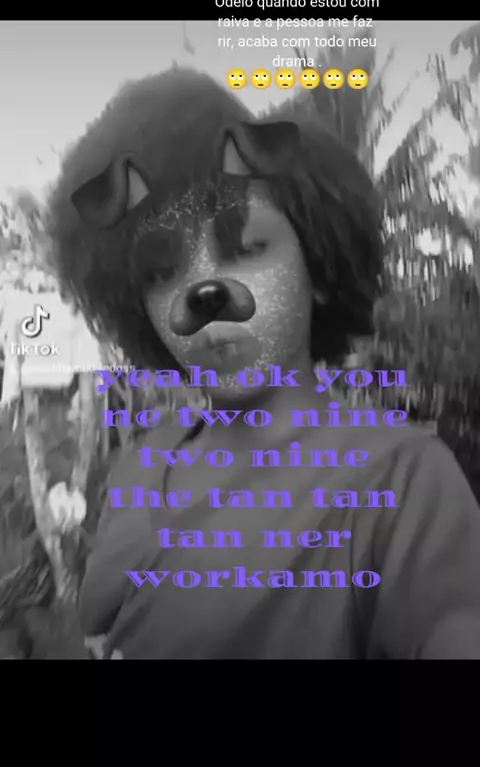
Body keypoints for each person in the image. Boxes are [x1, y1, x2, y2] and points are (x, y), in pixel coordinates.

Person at [47, 68, 480, 659]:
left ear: (317, 269)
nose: (204, 292)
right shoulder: (140, 465)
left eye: (246, 249)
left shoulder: (400, 481)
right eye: (163, 271)